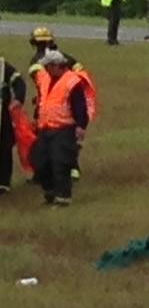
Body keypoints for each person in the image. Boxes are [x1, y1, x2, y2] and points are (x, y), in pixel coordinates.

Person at [28, 29, 92, 182]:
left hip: (49, 106)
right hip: (66, 103)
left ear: (34, 43)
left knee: (47, 141)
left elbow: (41, 83)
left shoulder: (37, 60)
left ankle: (45, 174)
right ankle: (72, 169)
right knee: (67, 140)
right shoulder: (64, 57)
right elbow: (80, 70)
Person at [31, 51, 89, 206]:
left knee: (60, 162)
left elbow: (80, 106)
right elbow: (42, 101)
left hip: (64, 128)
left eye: (48, 66)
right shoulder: (45, 79)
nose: (46, 69)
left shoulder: (72, 81)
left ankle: (63, 197)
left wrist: (81, 126)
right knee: (39, 160)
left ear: (56, 66)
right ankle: (50, 191)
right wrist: (36, 118)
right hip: (45, 127)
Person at [1, 56, 27, 195]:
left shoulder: (2, 65)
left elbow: (19, 82)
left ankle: (3, 182)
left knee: (4, 146)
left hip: (2, 115)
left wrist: (18, 99)